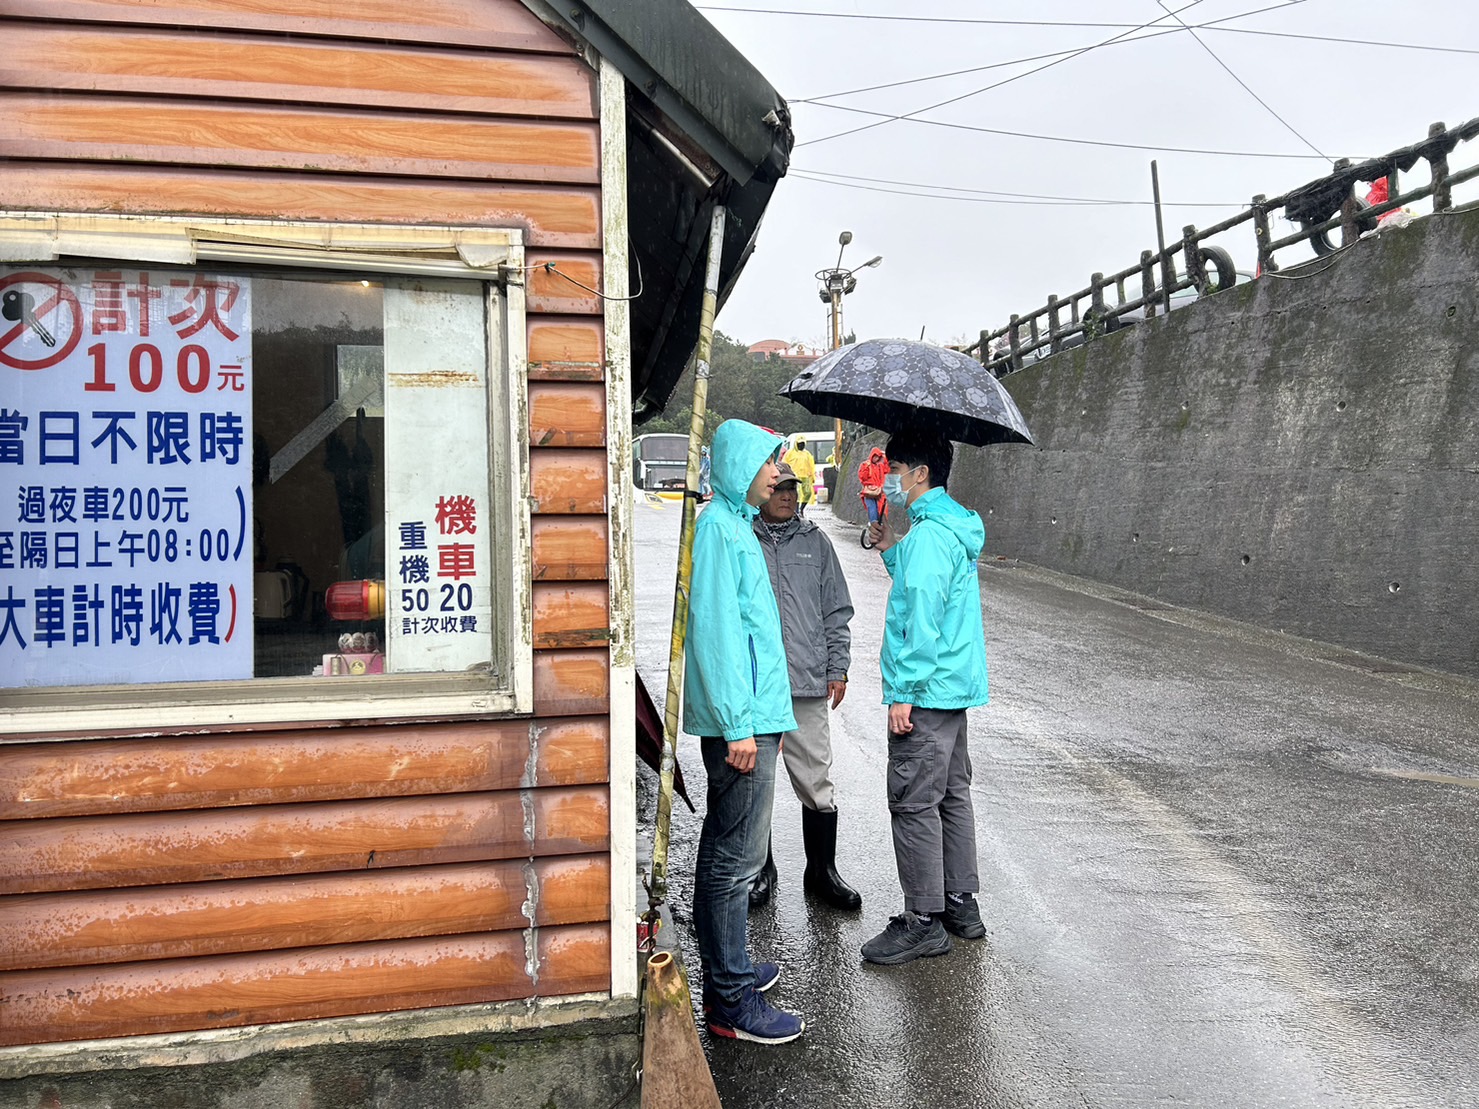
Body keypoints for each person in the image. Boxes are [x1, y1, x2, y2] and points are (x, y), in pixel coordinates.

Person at [684, 418, 805, 1043]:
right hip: (744, 723)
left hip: (753, 718)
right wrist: (737, 725)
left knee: (727, 852)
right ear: (739, 467)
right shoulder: (718, 531)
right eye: (767, 464)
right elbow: (718, 634)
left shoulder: (733, 526)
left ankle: (727, 972)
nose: (776, 474)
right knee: (735, 862)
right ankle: (729, 1001)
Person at [860, 427, 989, 966]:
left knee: (913, 801)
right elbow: (923, 582)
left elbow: (922, 616)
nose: (887, 478)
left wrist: (904, 693)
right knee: (951, 795)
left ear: (920, 474)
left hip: (927, 690)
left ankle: (923, 920)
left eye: (894, 469)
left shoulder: (932, 537)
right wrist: (891, 547)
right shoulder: (945, 529)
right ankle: (960, 903)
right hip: (952, 691)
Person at [749, 462, 861, 911]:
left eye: (793, 489)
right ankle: (760, 869)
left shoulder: (817, 543)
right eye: (779, 488)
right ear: (761, 494)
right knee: (757, 782)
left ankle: (821, 872)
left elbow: (837, 611)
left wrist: (840, 667)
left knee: (816, 779)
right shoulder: (744, 539)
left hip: (808, 682)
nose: (787, 496)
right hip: (758, 684)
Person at [783, 437, 817, 517]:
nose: (801, 445)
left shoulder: (807, 454)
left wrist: (812, 476)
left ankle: (802, 509)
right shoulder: (790, 453)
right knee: (797, 494)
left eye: (802, 443)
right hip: (795, 476)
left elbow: (811, 465)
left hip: (806, 476)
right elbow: (784, 464)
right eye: (799, 443)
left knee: (808, 493)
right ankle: (796, 511)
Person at [857, 445, 889, 523]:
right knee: (872, 509)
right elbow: (862, 477)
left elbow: (888, 468)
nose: (877, 458)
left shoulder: (881, 465)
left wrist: (884, 455)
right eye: (876, 456)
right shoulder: (866, 465)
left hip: (878, 491)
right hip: (870, 492)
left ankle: (878, 524)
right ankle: (874, 524)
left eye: (878, 457)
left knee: (881, 510)